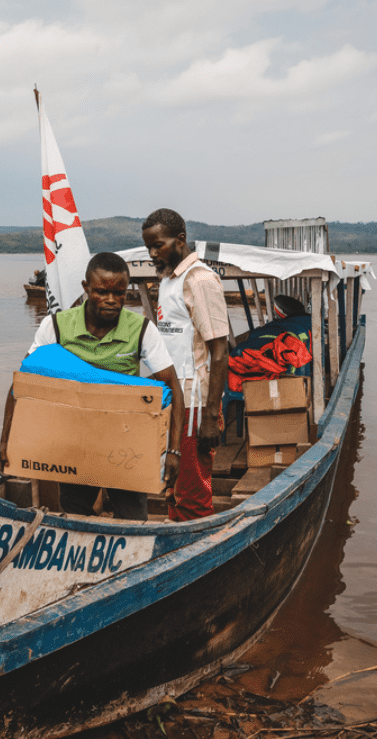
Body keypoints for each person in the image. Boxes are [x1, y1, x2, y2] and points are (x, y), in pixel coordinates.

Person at [0, 252, 185, 521]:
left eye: (119, 293)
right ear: (86, 288)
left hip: (126, 442)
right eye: (101, 292)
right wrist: (6, 441)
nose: (111, 300)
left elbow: (173, 388)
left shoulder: (141, 329)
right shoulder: (57, 327)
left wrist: (174, 451)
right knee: (75, 515)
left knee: (133, 520)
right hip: (74, 440)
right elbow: (22, 384)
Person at [142, 208, 230, 522]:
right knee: (173, 485)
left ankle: (192, 547)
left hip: (194, 404)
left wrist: (210, 415)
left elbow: (220, 352)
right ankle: (173, 535)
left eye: (159, 245)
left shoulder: (201, 280)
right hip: (171, 401)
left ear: (180, 240)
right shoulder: (168, 280)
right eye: (149, 247)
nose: (153, 253)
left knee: (192, 493)